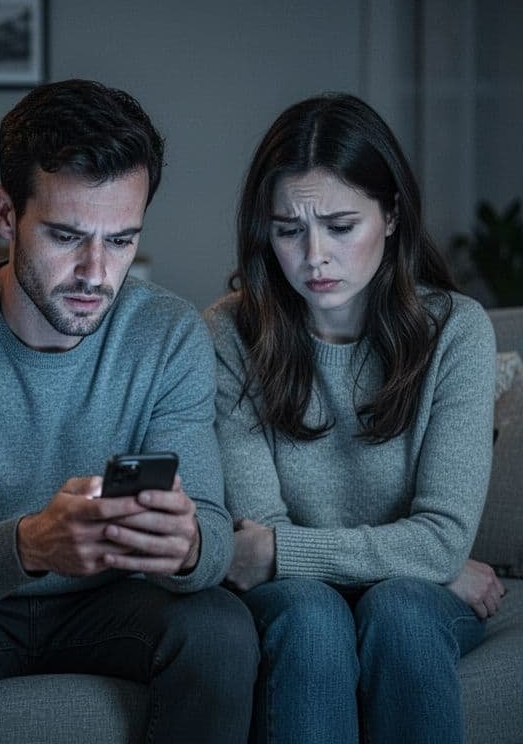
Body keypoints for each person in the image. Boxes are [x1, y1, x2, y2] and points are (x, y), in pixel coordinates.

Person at [0, 79, 258, 744]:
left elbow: (212, 535)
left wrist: (186, 547)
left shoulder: (170, 333)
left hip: (113, 604)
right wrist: (29, 545)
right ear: (6, 214)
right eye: (67, 236)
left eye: (122, 240)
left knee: (220, 629)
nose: (96, 272)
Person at [208, 92, 504, 744]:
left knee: (399, 607)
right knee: (313, 617)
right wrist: (424, 557)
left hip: (404, 598)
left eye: (341, 226)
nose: (314, 256)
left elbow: (269, 548)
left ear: (392, 214)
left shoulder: (457, 330)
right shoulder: (231, 331)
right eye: (288, 230)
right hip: (297, 598)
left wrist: (286, 552)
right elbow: (254, 535)